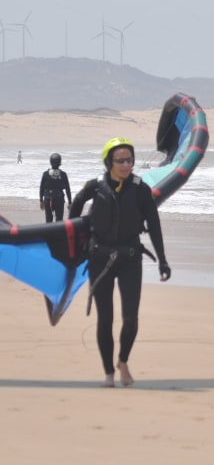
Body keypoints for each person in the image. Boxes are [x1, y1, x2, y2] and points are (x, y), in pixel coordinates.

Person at [68, 137, 171, 388]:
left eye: (130, 160)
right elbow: (74, 210)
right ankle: (108, 373)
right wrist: (74, 244)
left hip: (130, 258)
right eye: (121, 160)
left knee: (131, 318)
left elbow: (154, 226)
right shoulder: (94, 187)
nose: (127, 165)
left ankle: (123, 360)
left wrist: (162, 261)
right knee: (105, 319)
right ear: (109, 162)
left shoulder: (140, 189)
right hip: (99, 258)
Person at [39, 152, 72, 223]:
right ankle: (58, 233)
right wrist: (70, 202)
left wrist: (41, 200)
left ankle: (48, 234)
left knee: (48, 220)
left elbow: (41, 187)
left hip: (48, 198)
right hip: (59, 198)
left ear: (50, 162)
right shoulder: (63, 174)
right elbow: (67, 189)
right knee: (59, 220)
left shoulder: (45, 174)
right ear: (60, 163)